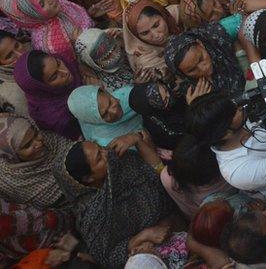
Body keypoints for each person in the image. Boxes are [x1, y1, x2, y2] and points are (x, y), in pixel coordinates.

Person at [55, 138, 178, 268]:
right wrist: (141, 237)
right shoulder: (91, 216)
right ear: (89, 178)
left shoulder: (124, 160)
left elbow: (159, 177)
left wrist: (136, 139)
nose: (106, 152)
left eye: (100, 147)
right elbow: (106, 257)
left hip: (176, 221)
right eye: (99, 157)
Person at [0, 112, 73, 208]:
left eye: (36, 134)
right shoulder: (9, 183)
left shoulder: (49, 140)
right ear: (11, 155)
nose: (39, 143)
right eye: (27, 145)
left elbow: (78, 150)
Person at [67, 84, 143, 148]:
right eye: (105, 114)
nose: (114, 111)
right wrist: (138, 137)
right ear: (96, 121)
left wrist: (140, 87)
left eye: (110, 102)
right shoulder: (106, 143)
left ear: (105, 91)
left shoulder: (123, 95)